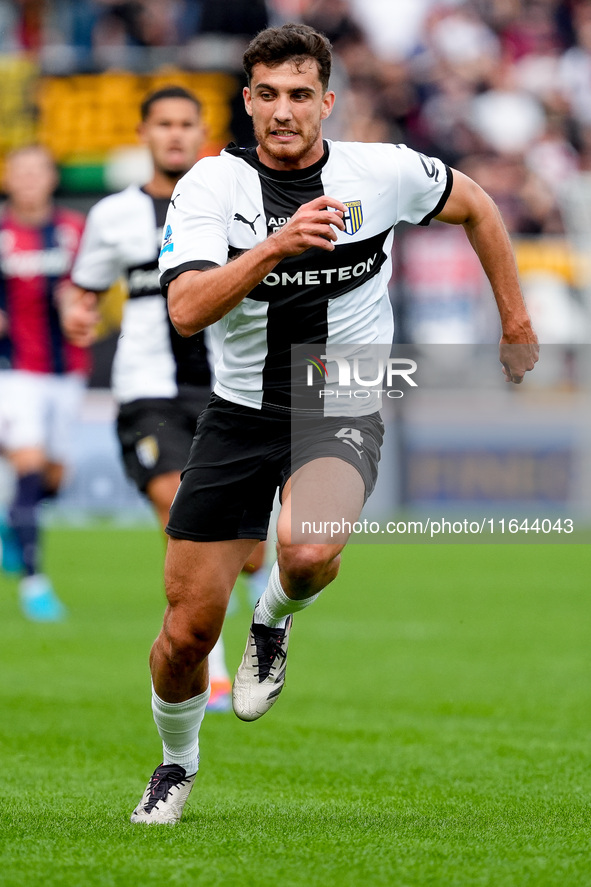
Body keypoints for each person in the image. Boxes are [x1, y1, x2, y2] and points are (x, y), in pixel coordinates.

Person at [129, 23, 538, 825]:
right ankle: (175, 766)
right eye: (268, 96)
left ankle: (271, 621)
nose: (284, 112)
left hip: (339, 391)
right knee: (183, 636)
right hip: (240, 409)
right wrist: (275, 246)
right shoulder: (210, 187)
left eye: (300, 96)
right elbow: (185, 308)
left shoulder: (379, 173)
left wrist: (515, 323)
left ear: (327, 101)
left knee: (310, 550)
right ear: (247, 101)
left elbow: (479, 206)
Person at [61, 85, 266, 712]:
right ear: (144, 134)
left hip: (226, 386)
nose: (175, 134)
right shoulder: (113, 216)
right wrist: (77, 315)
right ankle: (217, 665)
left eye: (185, 124)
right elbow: (84, 292)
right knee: (177, 508)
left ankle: (258, 624)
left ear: (200, 130)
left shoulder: (234, 201)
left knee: (254, 553)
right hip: (147, 390)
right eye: (163, 125)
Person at [0, 145, 88, 621]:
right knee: (29, 464)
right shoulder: (1, 234)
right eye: (21, 171)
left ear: (51, 178)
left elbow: (95, 292)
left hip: (66, 371)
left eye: (38, 171)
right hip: (14, 371)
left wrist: (83, 310)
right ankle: (34, 581)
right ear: (9, 179)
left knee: (53, 479)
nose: (30, 180)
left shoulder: (74, 231)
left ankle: (9, 522)